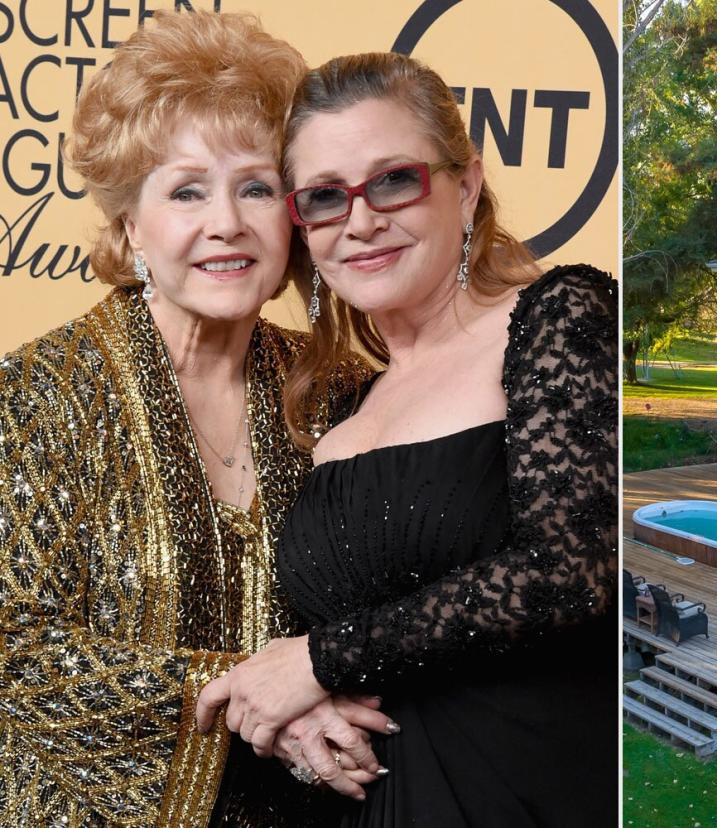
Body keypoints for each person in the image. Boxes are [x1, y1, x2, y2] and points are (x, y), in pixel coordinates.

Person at [194, 53, 618, 825]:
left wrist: (318, 663)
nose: (360, 220)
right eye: (324, 198)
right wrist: (297, 713)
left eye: (393, 180)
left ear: (467, 186)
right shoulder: (338, 408)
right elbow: (312, 647)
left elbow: (573, 571)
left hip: (526, 793)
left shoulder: (557, 317)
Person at [0, 13, 389, 827]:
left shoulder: (340, 390)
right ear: (131, 226)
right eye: (186, 191)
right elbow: (13, 651)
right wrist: (261, 701)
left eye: (255, 187)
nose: (227, 223)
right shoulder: (34, 394)